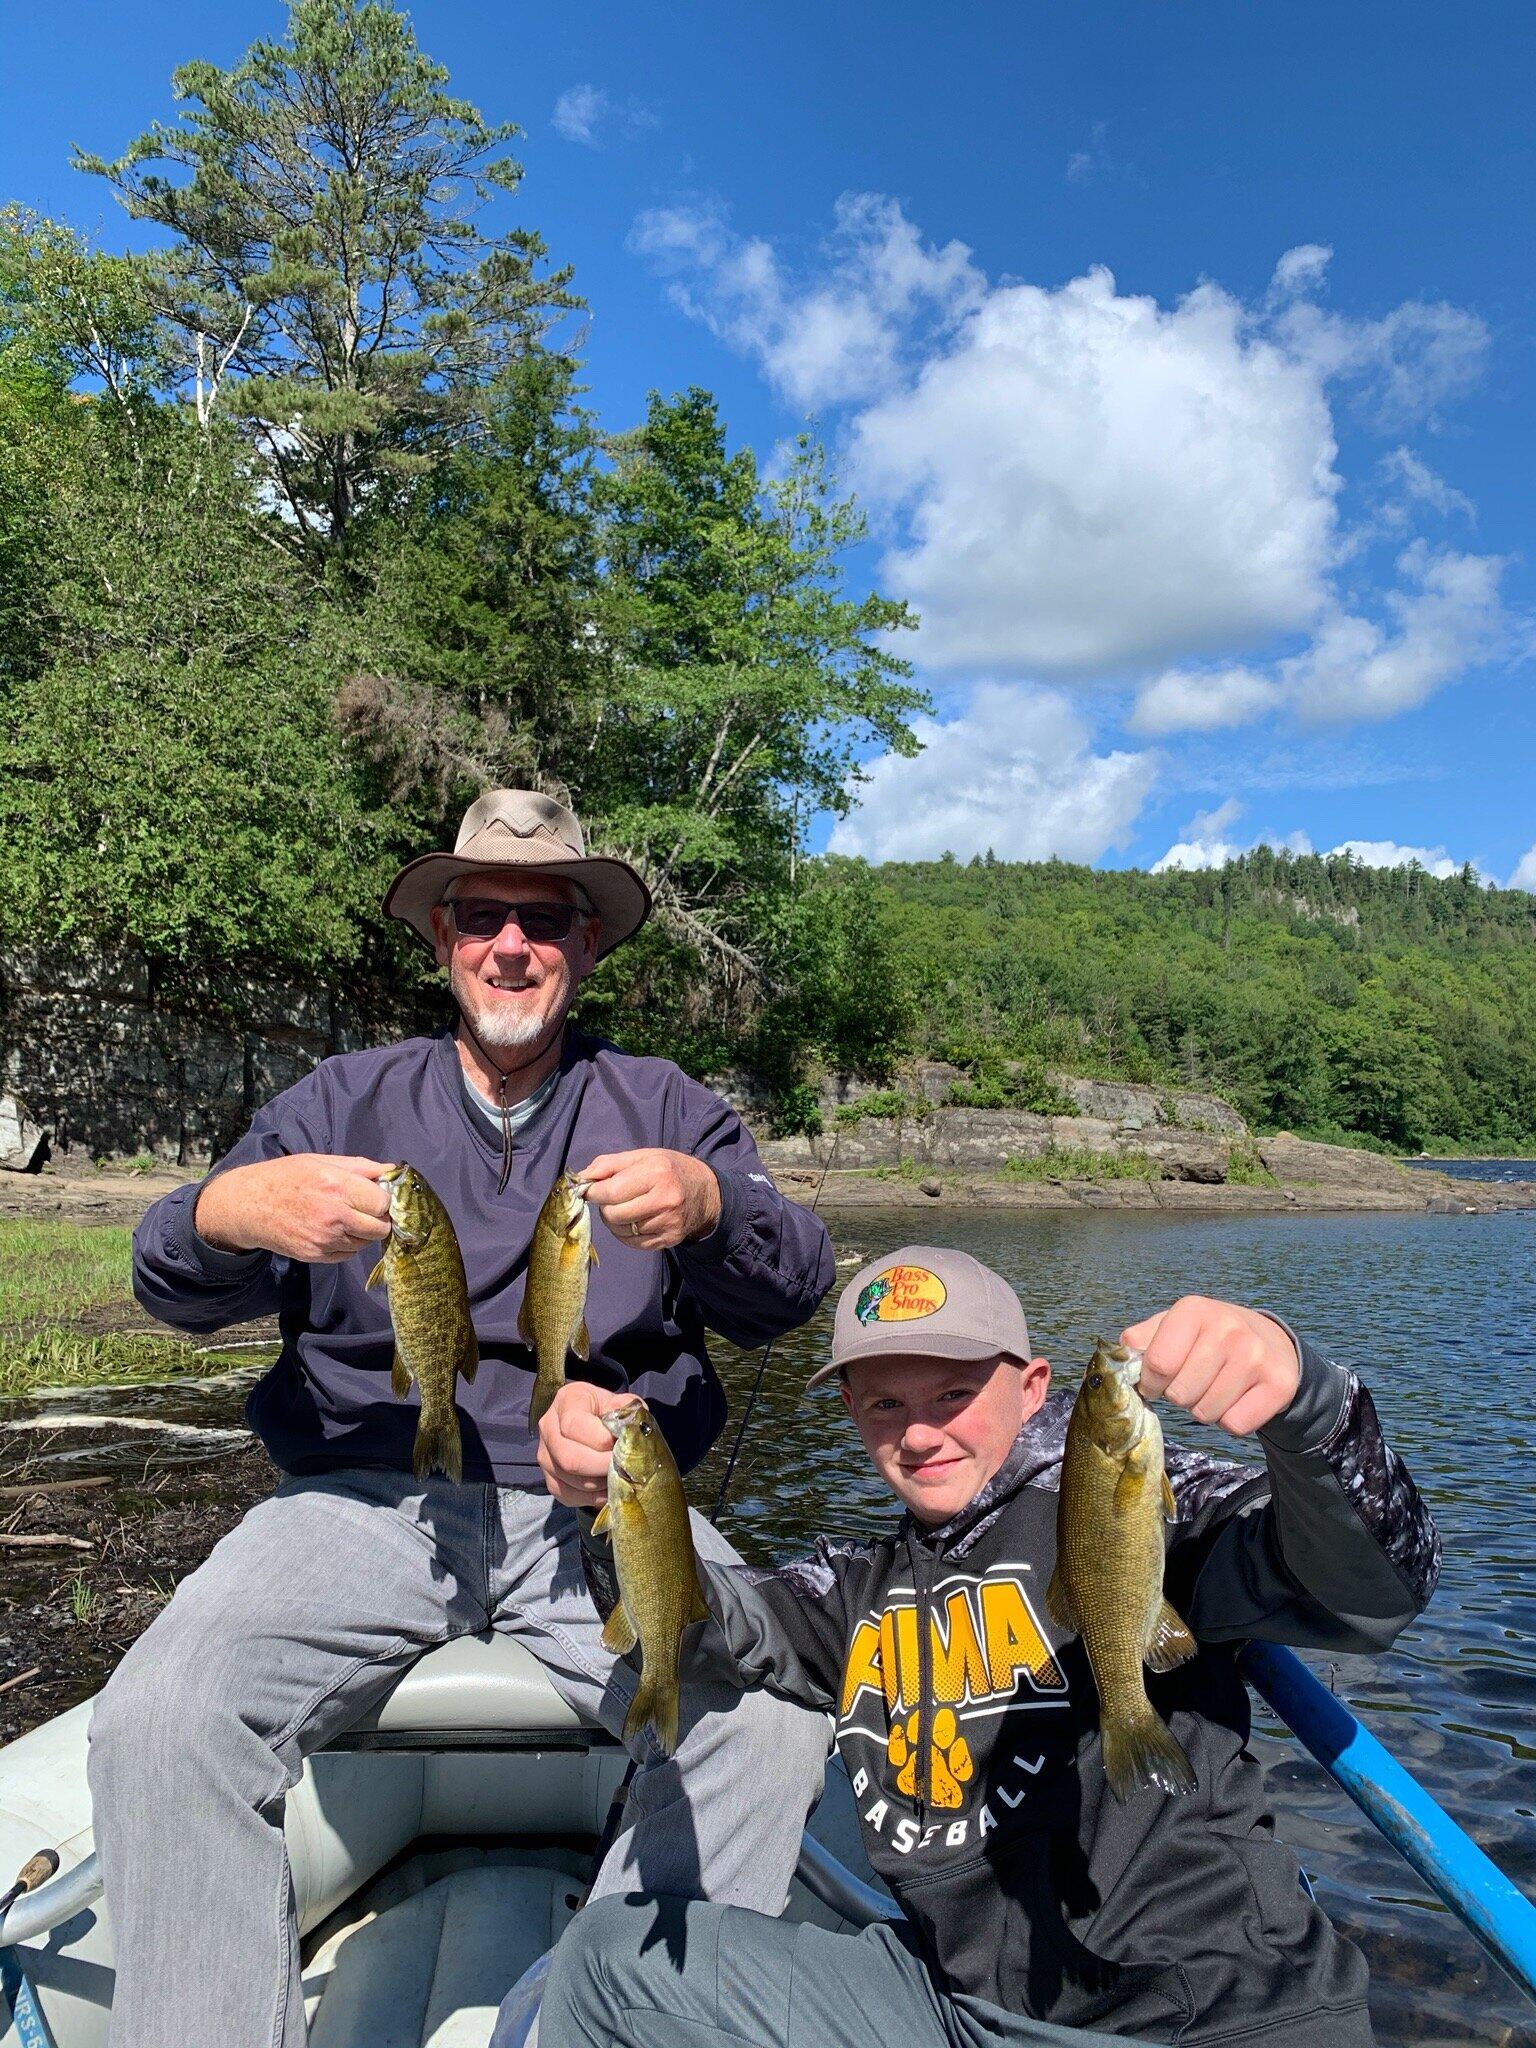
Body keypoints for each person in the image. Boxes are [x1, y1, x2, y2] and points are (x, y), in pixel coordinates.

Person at [94, 788, 836, 2048]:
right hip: (358, 1492)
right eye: (481, 914)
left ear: (587, 947)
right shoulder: (338, 1100)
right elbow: (167, 1278)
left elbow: (795, 1291)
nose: (511, 944)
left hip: (609, 1497)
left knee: (767, 1717)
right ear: (441, 937)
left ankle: (608, 2017)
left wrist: (714, 1202)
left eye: (543, 919)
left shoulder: (666, 1105)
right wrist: (234, 1209)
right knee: (161, 1718)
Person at [540, 1245, 1441, 2048]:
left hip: (1206, 2012)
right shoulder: (852, 1586)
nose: (921, 1433)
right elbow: (698, 1629)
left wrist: (1309, 1405)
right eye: (886, 1402)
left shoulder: (1136, 1495)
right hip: (959, 2009)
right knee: (608, 1960)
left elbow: (1374, 1592)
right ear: (848, 1407)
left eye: (955, 1394)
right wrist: (615, 1511)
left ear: (1036, 1385)